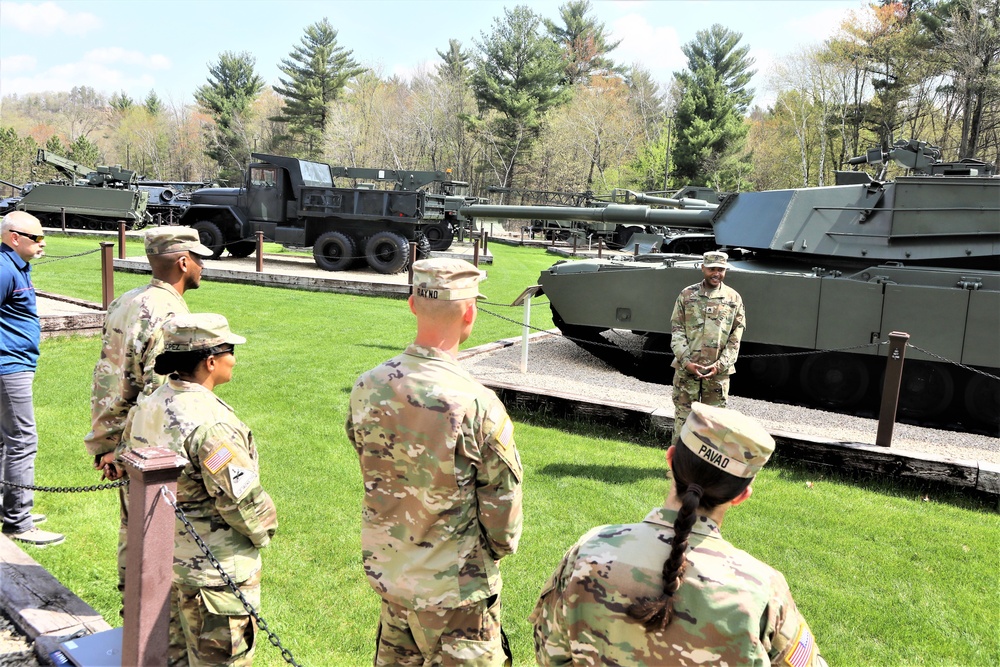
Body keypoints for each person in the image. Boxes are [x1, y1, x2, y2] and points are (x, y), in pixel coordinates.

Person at [530, 402, 827, 666]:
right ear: (741, 495)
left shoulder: (589, 551)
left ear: (671, 459)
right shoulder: (762, 590)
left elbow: (549, 654)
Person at [345, 257, 523, 667]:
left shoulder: (368, 385)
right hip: (457, 594)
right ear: (470, 311)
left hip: (393, 575)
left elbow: (369, 458)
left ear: (412, 304)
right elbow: (503, 519)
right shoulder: (478, 403)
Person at [122, 313, 277, 667]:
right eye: (231, 352)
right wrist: (267, 529)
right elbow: (243, 501)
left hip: (163, 561)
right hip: (214, 575)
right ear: (210, 361)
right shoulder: (211, 425)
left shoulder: (151, 402)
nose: (234, 360)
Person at [84, 226, 212, 586]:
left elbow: (108, 377)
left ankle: (131, 612)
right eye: (199, 258)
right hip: (150, 450)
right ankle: (149, 624)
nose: (203, 265)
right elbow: (160, 395)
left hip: (121, 440)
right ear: (184, 263)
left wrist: (107, 444)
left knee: (132, 529)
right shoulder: (170, 317)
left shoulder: (126, 300)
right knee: (156, 537)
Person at [0, 211, 63, 546]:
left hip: (14, 364)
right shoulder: (3, 269)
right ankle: (18, 522)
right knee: (23, 442)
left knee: (4, 441)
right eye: (36, 238)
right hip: (8, 367)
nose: (42, 243)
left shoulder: (14, 266)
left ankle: (6, 506)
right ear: (14, 237)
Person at [669, 250, 745, 445]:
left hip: (717, 374)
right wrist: (686, 362)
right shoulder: (687, 295)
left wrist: (720, 365)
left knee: (714, 424)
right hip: (687, 372)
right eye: (712, 269)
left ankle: (707, 471)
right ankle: (677, 467)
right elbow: (677, 331)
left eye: (720, 269)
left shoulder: (733, 299)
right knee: (684, 420)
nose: (716, 273)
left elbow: (735, 338)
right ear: (703, 268)